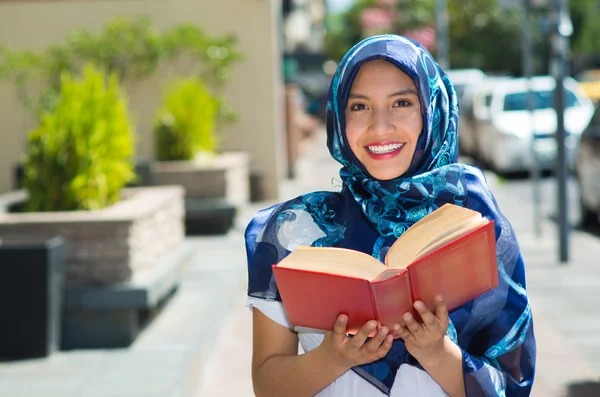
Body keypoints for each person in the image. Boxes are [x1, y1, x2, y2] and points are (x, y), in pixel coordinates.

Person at [245, 34, 536, 397]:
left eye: (401, 102)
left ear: (433, 109)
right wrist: (332, 358)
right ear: (337, 115)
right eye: (359, 107)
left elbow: (511, 386)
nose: (380, 127)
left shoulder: (476, 226)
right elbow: (267, 387)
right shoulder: (294, 232)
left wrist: (436, 351)